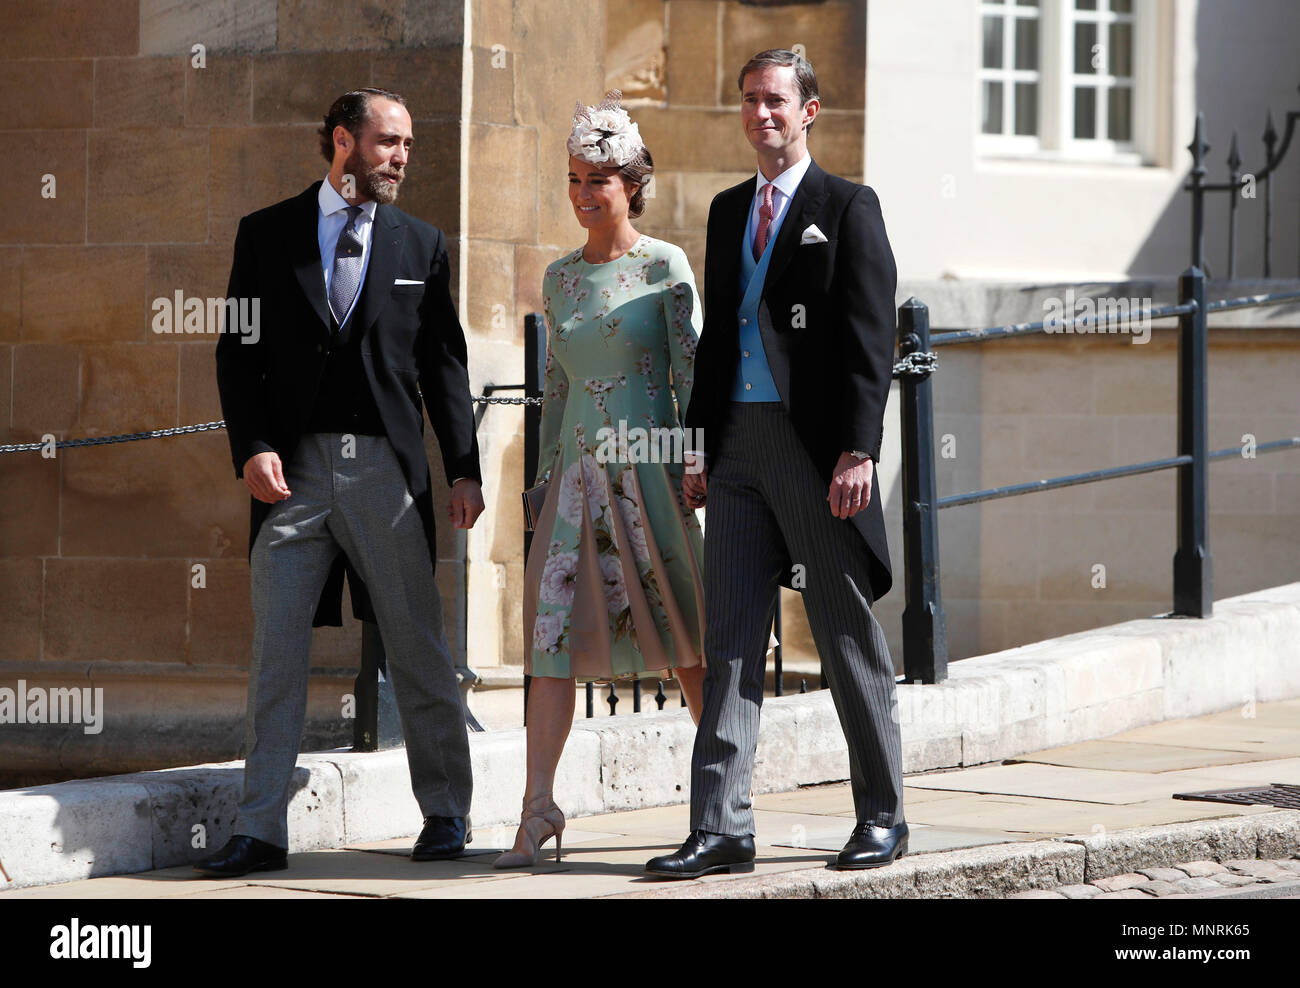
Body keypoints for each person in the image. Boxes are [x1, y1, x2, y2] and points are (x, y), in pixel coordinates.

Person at [198, 88, 485, 877]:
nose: (400, 157)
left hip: (386, 475)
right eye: (388, 141)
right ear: (342, 142)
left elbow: (444, 365)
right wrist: (252, 446)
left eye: (408, 144)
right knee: (277, 654)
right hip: (290, 476)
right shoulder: (267, 234)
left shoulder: (420, 244)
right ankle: (260, 830)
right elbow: (237, 353)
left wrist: (463, 467)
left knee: (416, 644)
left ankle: (447, 813)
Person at [645, 50, 907, 879]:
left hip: (814, 451)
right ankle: (722, 828)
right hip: (734, 448)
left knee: (842, 633)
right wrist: (697, 443)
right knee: (728, 639)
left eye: (777, 101)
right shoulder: (729, 212)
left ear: (810, 112)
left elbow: (873, 341)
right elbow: (719, 340)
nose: (762, 113)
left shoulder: (848, 207)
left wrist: (858, 449)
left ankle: (883, 816)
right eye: (751, 100)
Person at [496, 91, 707, 869]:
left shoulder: (665, 266)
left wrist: (697, 459)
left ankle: (725, 800)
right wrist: (541, 482)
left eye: (601, 181)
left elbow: (694, 374)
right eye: (577, 179)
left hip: (651, 475)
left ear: (632, 184)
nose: (585, 195)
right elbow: (553, 386)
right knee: (548, 644)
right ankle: (536, 810)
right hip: (574, 480)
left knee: (688, 641)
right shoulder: (557, 279)